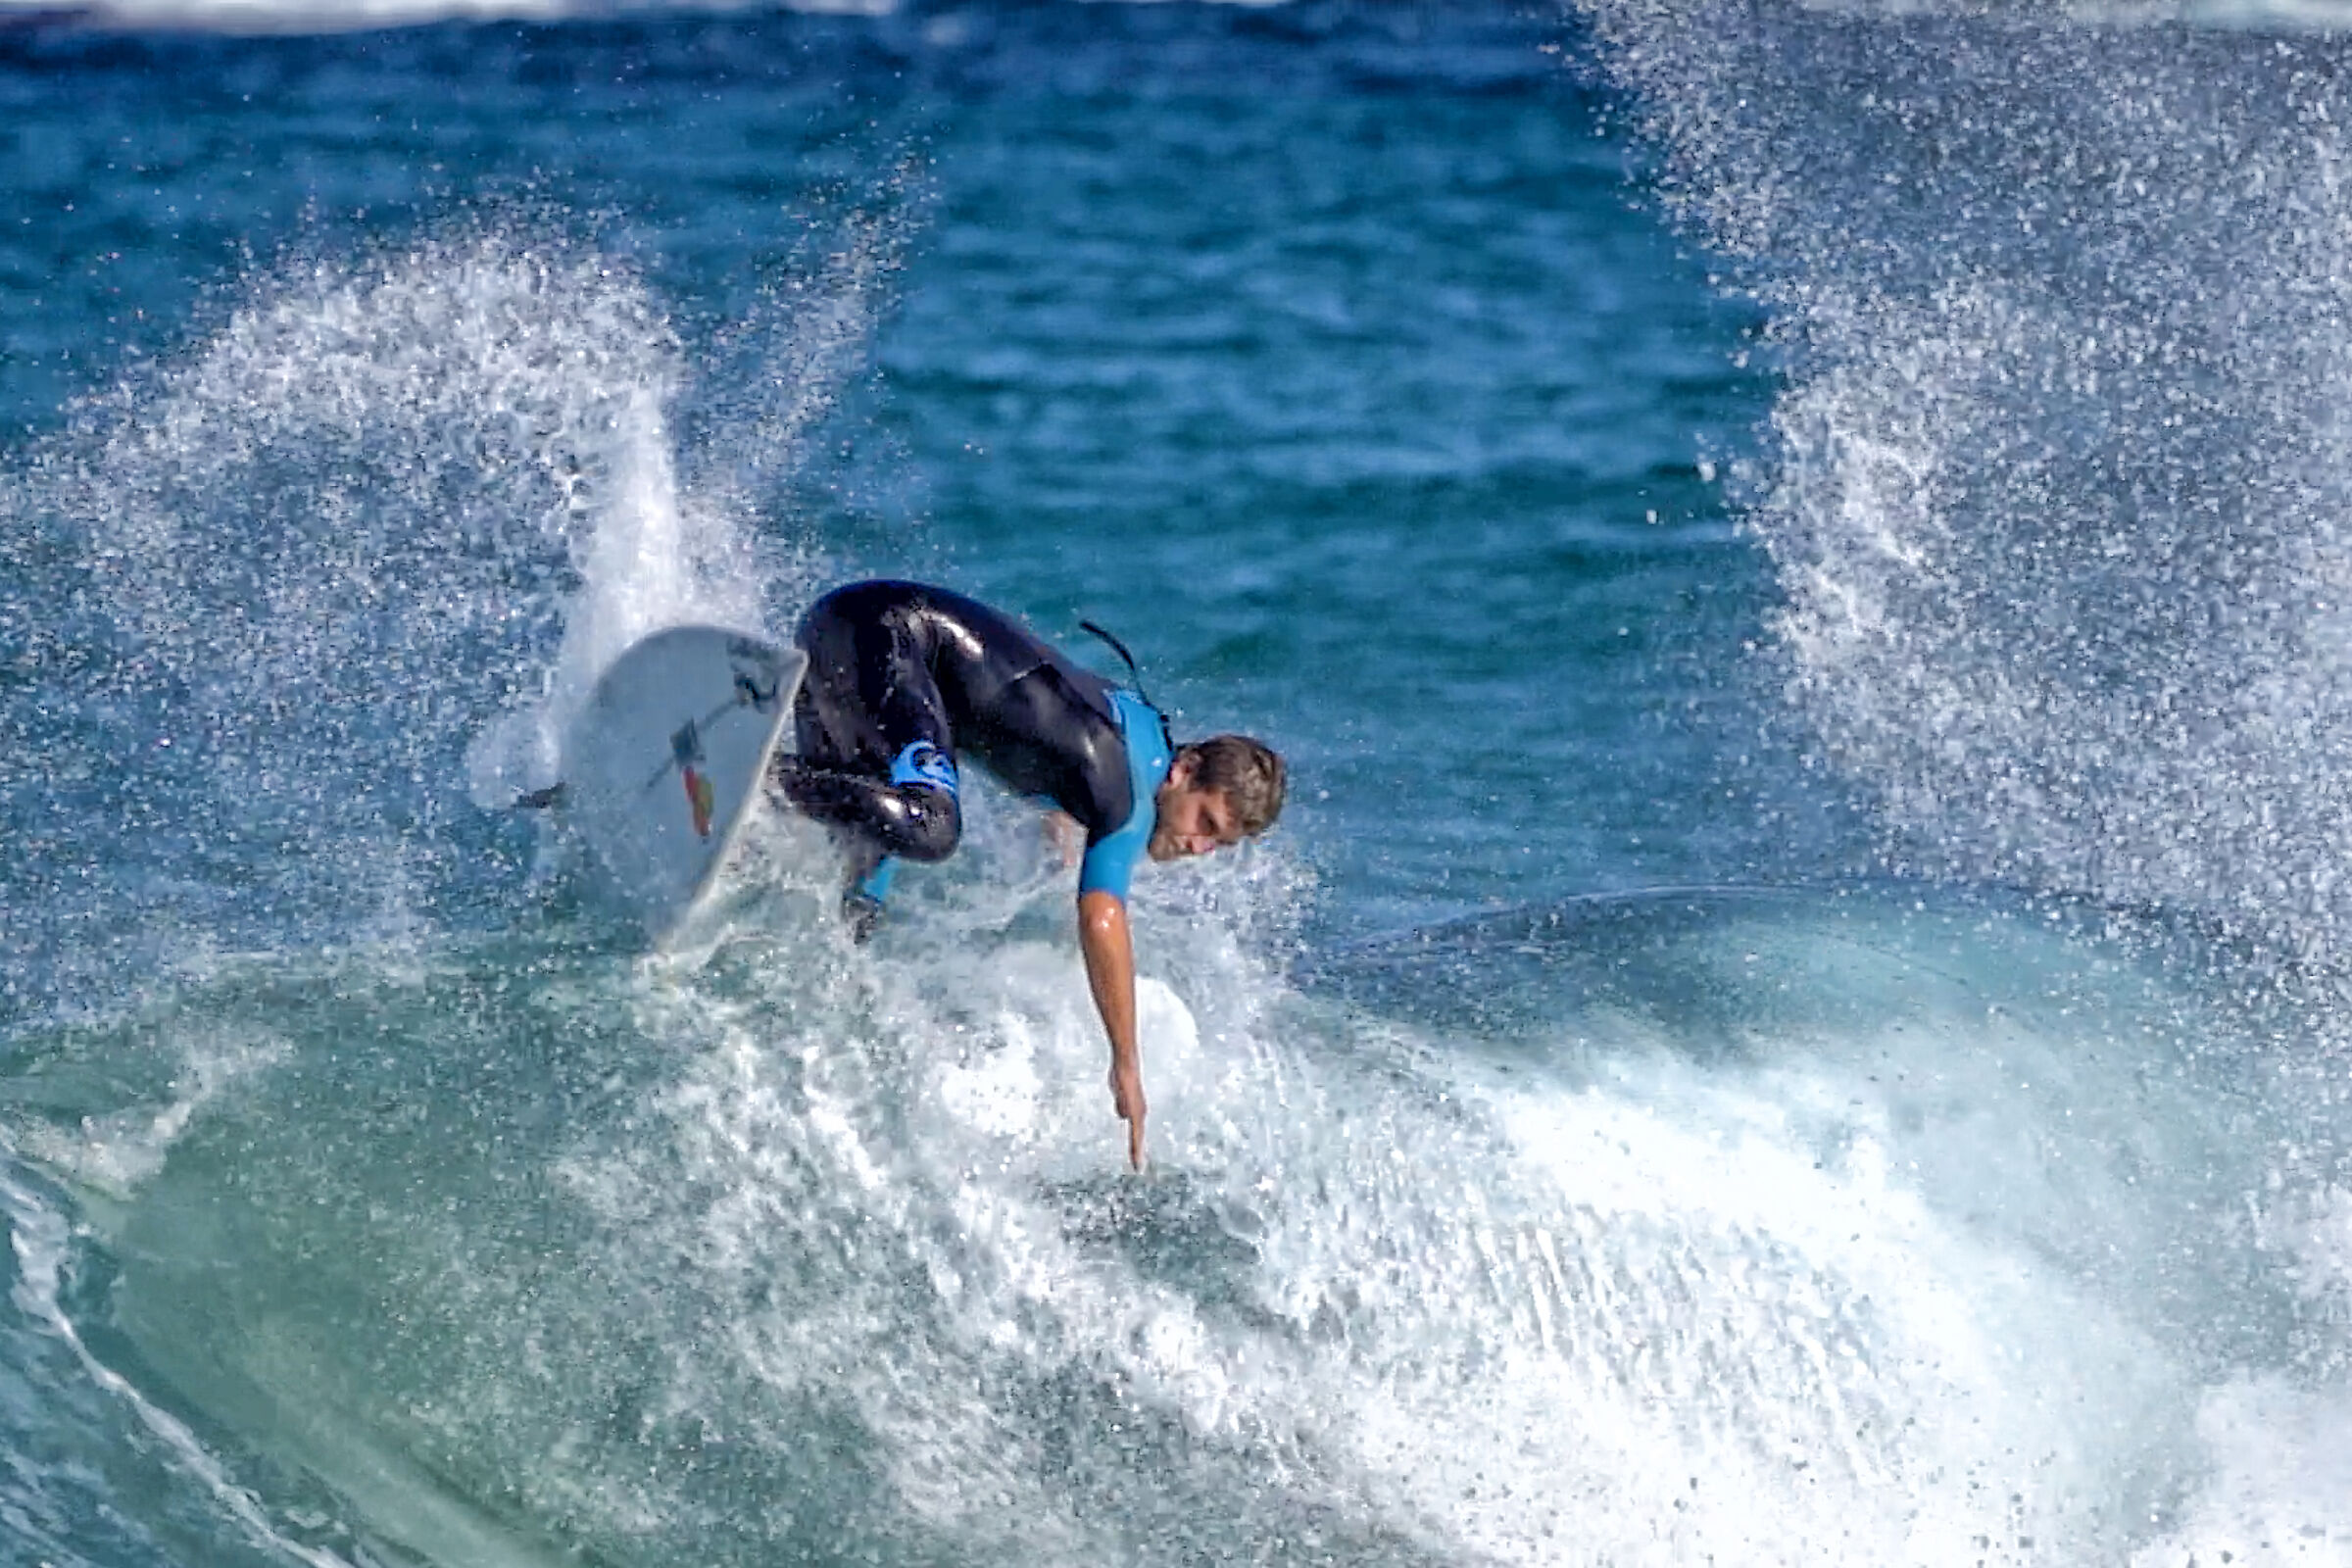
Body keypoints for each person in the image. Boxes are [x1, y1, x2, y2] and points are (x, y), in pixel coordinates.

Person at [766, 579, 1285, 1169]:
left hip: (851, 634)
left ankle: (741, 825)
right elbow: (1102, 913)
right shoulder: (1129, 799)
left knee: (861, 890)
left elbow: (1052, 731)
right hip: (886, 638)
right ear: (1185, 770)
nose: (1199, 846)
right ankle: (765, 782)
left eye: (1220, 844)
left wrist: (1061, 828)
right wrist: (1126, 1065)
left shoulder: (1134, 734)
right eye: (1207, 822)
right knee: (930, 826)